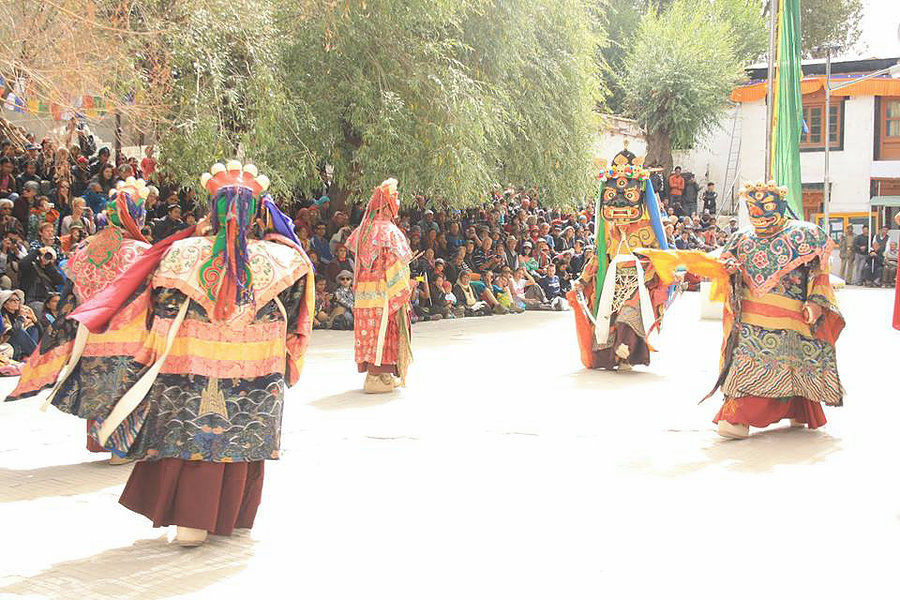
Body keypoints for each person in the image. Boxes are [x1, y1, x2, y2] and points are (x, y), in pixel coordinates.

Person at [45, 160, 314, 546]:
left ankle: (192, 519)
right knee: (242, 434)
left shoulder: (181, 253)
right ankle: (233, 515)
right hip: (255, 369)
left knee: (189, 433)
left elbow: (162, 304)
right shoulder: (281, 259)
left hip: (188, 367)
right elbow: (295, 310)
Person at [642, 181, 844, 439]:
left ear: (780, 205)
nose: (758, 213)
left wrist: (816, 302)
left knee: (794, 364)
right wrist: (683, 263)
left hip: (793, 316)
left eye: (766, 206)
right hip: (749, 318)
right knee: (745, 364)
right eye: (753, 207)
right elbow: (720, 263)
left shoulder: (805, 234)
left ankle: (797, 409)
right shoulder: (742, 238)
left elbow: (819, 272)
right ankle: (737, 417)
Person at [8, 178, 154, 463]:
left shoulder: (86, 250)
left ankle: (107, 444)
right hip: (132, 336)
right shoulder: (140, 252)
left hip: (92, 335)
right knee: (127, 388)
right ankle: (121, 448)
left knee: (101, 388)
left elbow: (72, 291)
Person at [568, 150, 670, 371]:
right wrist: (583, 280)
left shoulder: (646, 229)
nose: (620, 203)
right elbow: (598, 257)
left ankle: (626, 354)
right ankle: (615, 357)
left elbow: (660, 257)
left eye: (629, 196)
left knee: (627, 317)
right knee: (608, 320)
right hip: (611, 283)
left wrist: (668, 275)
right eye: (612, 196)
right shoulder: (607, 231)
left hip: (637, 282)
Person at [346, 179, 414, 394]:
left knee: (370, 330)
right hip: (384, 291)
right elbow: (393, 265)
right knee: (385, 329)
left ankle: (377, 374)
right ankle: (377, 375)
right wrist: (405, 286)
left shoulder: (362, 231)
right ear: (387, 205)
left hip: (364, 293)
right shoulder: (389, 232)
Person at [0, 289, 40, 360]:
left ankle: (28, 355)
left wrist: (35, 319)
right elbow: (15, 331)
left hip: (21, 346)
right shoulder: (3, 317)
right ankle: (36, 355)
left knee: (33, 328)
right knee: (19, 331)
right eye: (12, 300)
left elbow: (41, 331)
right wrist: (20, 317)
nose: (16, 302)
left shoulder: (18, 315)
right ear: (5, 304)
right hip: (8, 344)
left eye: (18, 300)